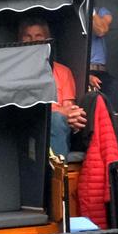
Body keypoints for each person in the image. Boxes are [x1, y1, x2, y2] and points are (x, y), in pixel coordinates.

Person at [17, 17, 87, 157]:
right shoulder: (16, 71)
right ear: (20, 41)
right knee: (55, 118)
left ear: (48, 41)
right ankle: (55, 174)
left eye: (38, 36)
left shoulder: (63, 71)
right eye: (28, 37)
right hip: (29, 123)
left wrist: (69, 114)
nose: (33, 41)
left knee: (87, 109)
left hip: (60, 127)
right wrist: (60, 112)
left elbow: (69, 109)